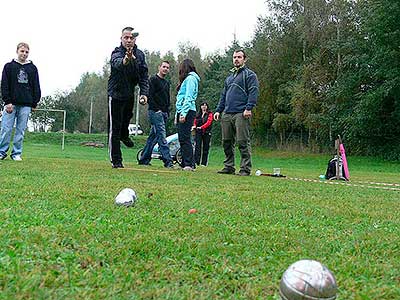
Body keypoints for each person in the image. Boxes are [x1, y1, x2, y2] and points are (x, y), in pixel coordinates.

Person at [108, 26, 149, 168]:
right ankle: (116, 160)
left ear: (135, 39)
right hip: (116, 94)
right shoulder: (116, 52)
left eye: (131, 37)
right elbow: (118, 63)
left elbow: (143, 75)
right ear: (121, 39)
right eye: (126, 37)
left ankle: (124, 135)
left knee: (126, 121)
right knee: (115, 128)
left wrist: (144, 93)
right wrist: (126, 59)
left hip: (129, 94)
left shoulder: (140, 55)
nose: (129, 40)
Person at [214, 49, 259, 176]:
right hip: (227, 113)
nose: (236, 59)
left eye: (239, 57)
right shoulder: (229, 78)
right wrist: (218, 110)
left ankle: (245, 168)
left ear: (245, 59)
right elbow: (223, 95)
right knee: (226, 141)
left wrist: (249, 108)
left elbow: (253, 92)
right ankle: (229, 166)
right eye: (234, 57)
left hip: (241, 113)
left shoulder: (250, 75)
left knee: (242, 141)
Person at [0, 42, 41, 161]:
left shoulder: (32, 68)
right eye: (22, 51)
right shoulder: (9, 66)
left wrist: (34, 102)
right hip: (10, 104)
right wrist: (7, 101)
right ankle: (2, 152)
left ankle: (16, 153)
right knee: (6, 129)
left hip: (26, 105)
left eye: (26, 52)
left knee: (20, 130)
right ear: (17, 51)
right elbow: (4, 85)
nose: (24, 54)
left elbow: (36, 86)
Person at [138, 61, 173, 168]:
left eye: (167, 67)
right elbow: (149, 96)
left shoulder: (166, 83)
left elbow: (167, 98)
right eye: (164, 67)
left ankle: (144, 159)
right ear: (159, 67)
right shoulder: (153, 80)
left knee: (153, 138)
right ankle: (168, 161)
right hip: (155, 112)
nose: (165, 69)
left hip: (164, 113)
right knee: (162, 136)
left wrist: (167, 111)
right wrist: (156, 109)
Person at [175, 59, 200, 171]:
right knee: (182, 138)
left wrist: (183, 113)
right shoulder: (188, 79)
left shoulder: (190, 79)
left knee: (185, 138)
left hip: (187, 110)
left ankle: (189, 164)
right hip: (183, 110)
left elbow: (188, 97)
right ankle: (186, 163)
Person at [192, 102, 213, 166]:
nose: (204, 107)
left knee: (205, 147)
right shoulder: (198, 114)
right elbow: (194, 121)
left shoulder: (210, 114)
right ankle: (196, 161)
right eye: (202, 105)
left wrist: (201, 127)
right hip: (198, 132)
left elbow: (209, 122)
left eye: (205, 105)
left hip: (206, 132)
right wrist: (195, 126)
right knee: (197, 146)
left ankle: (204, 163)